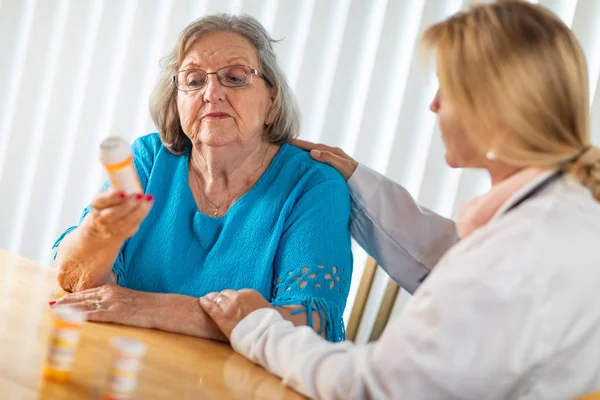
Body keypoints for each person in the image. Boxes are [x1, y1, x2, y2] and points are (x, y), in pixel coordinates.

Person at [199, 1, 600, 398]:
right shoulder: (567, 214)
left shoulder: (519, 253)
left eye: (448, 86)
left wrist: (257, 326)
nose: (434, 104)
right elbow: (445, 255)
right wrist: (357, 180)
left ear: (498, 105)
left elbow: (372, 387)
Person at [51, 14, 353, 342]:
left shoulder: (314, 186)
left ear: (271, 100)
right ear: (177, 101)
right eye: (193, 81)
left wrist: (152, 308)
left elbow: (314, 324)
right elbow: (75, 281)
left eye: (235, 78)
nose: (211, 93)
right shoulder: (149, 159)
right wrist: (99, 233)